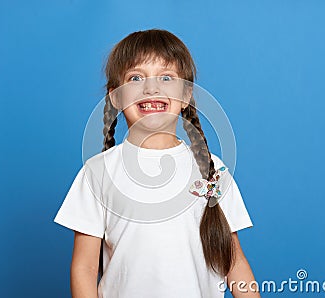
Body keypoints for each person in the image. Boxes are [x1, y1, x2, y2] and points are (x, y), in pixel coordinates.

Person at [54, 28, 260, 298]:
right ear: (116, 97)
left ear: (186, 95)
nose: (151, 88)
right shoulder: (98, 172)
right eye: (136, 78)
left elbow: (233, 261)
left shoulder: (212, 170)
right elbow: (84, 268)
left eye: (166, 77)